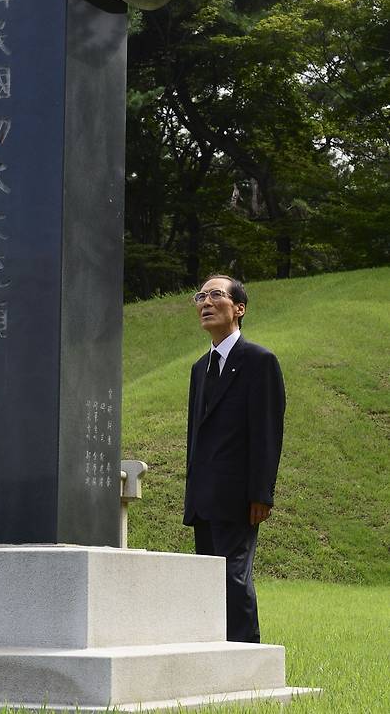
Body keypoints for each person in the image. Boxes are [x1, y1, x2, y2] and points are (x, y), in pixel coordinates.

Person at [183, 275, 286, 643]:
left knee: (233, 577)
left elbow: (267, 431)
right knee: (207, 582)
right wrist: (191, 493)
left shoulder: (259, 361)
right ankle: (213, 654)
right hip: (204, 498)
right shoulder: (199, 368)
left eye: (215, 295)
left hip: (240, 497)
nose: (205, 303)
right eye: (201, 297)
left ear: (238, 308)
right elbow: (196, 435)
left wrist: (261, 493)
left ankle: (247, 659)